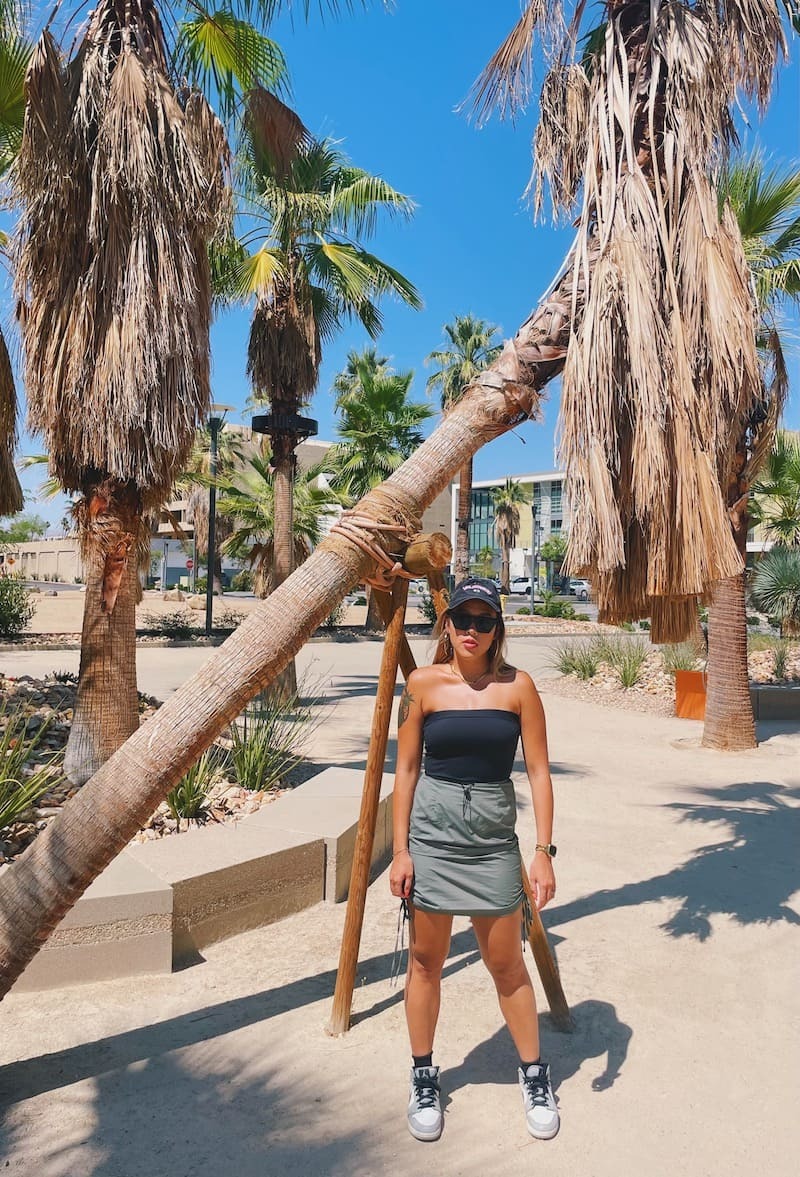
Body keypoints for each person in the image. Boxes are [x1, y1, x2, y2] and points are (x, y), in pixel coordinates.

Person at [390, 575, 558, 1143]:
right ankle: (423, 1075)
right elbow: (405, 770)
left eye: (484, 622)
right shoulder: (421, 685)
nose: (472, 630)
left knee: (507, 964)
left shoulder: (518, 687)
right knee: (425, 961)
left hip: (492, 847)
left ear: (497, 629)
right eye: (463, 619)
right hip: (432, 844)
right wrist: (400, 851)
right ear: (447, 623)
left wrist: (543, 852)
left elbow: (539, 771)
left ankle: (534, 1074)